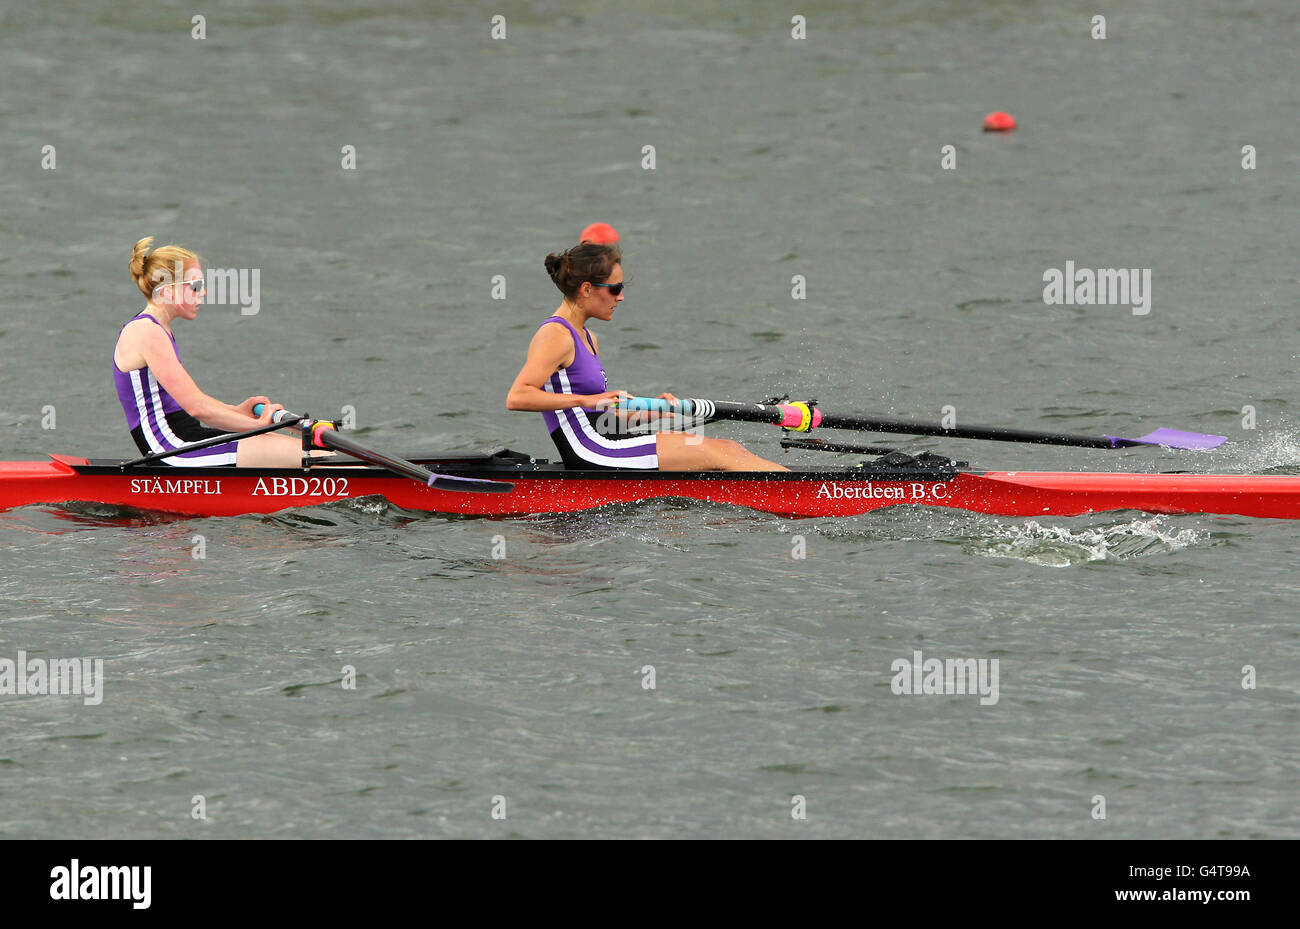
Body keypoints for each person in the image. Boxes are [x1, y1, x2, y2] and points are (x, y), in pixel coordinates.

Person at [507, 242, 787, 471]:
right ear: (587, 289)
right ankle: (813, 496)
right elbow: (518, 396)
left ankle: (800, 493)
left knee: (728, 448)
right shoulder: (556, 336)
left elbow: (600, 413)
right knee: (717, 454)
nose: (621, 297)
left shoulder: (589, 338)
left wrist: (655, 411)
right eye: (615, 288)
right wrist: (585, 399)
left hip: (605, 436)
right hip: (590, 449)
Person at [114, 237, 307, 467]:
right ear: (167, 292)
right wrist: (258, 426)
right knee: (312, 458)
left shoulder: (156, 328)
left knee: (306, 452)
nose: (203, 293)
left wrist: (236, 412)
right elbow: (197, 408)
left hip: (184, 436)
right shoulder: (147, 332)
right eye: (195, 287)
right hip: (169, 447)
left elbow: (192, 402)